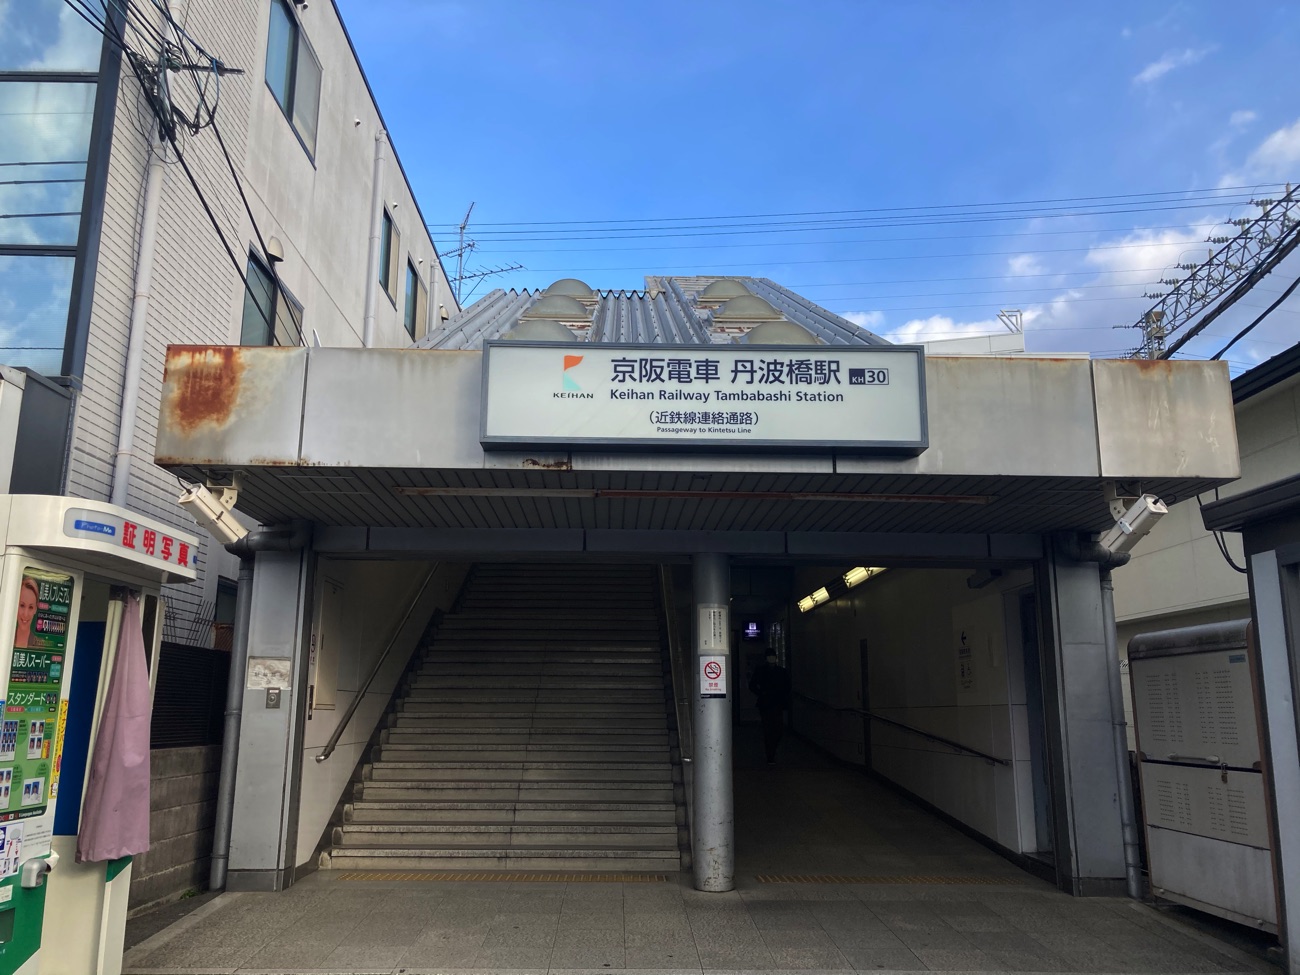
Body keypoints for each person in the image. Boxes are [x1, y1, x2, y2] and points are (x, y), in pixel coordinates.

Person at [748, 651, 791, 765]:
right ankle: (770, 755)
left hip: (776, 703)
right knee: (768, 729)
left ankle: (772, 751)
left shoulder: (782, 671)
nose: (771, 658)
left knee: (778, 729)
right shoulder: (761, 670)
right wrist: (761, 693)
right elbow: (752, 685)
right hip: (766, 703)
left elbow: (788, 687)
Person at [13, 578, 38, 649]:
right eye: (22, 605)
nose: (25, 614)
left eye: (30, 607)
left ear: (35, 609)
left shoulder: (40, 647)